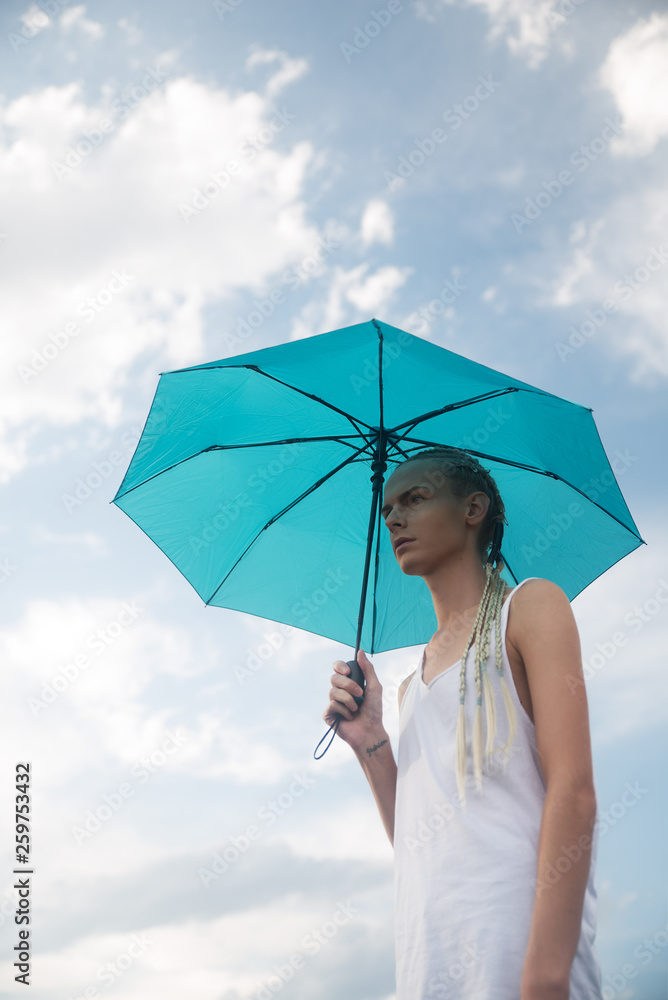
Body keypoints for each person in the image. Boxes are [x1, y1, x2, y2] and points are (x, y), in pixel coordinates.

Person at [323, 446, 603, 1000]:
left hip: (520, 957)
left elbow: (573, 791)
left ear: (473, 509)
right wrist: (372, 742)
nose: (395, 518)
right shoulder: (409, 685)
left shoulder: (529, 609)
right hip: (430, 965)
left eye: (415, 498)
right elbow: (421, 839)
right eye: (388, 509)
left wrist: (545, 978)